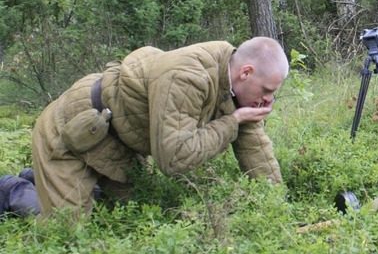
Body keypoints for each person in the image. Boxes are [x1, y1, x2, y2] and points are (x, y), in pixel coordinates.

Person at [30, 36, 289, 218]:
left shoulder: (237, 88)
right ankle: (14, 189)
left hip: (120, 149)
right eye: (267, 91)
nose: (268, 101)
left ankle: (46, 181)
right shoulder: (188, 77)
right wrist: (232, 122)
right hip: (71, 133)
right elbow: (174, 159)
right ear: (246, 72)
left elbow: (257, 151)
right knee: (67, 230)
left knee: (136, 218)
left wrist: (279, 210)